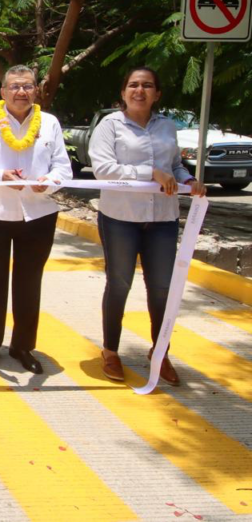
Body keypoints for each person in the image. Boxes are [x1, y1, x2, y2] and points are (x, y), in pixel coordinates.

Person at [89, 67, 207, 386]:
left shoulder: (167, 126)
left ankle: (160, 354)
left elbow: (175, 166)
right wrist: (150, 172)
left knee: (162, 290)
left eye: (147, 85)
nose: (139, 90)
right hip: (120, 219)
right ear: (123, 92)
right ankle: (111, 352)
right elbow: (103, 169)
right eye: (133, 85)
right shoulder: (109, 126)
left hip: (163, 220)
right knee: (120, 284)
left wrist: (189, 180)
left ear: (157, 94)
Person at [0, 65, 72, 374]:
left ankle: (22, 346)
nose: (20, 92)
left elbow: (64, 169)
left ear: (36, 91)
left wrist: (48, 181)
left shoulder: (49, 124)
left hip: (38, 213)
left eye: (27, 86)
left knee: (28, 283)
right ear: (3, 92)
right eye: (14, 87)